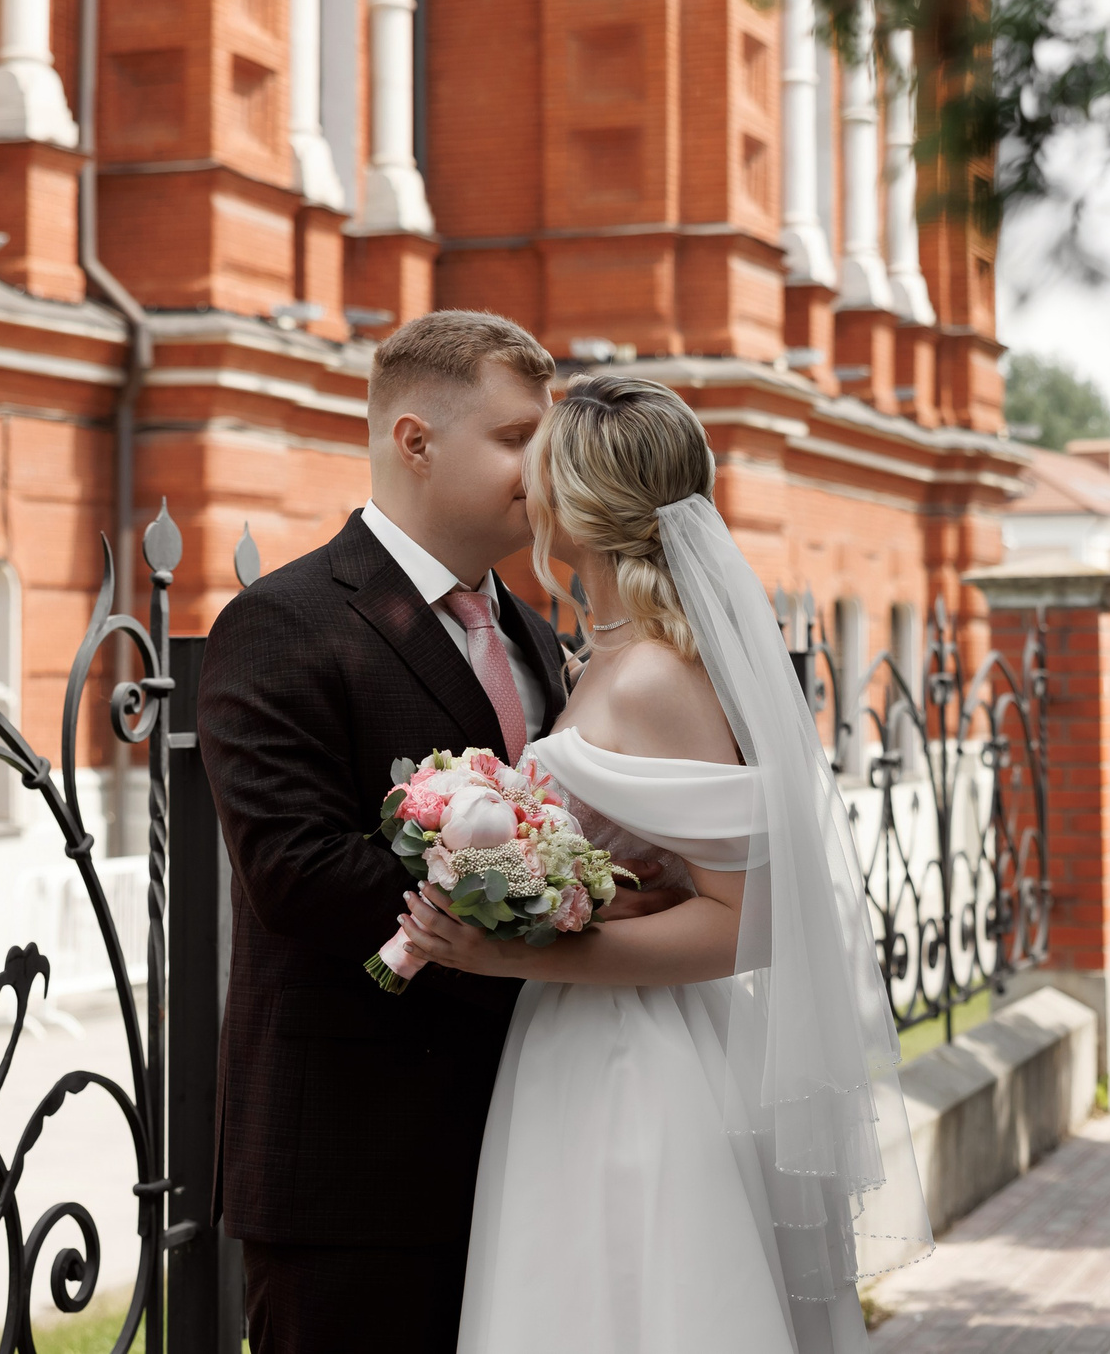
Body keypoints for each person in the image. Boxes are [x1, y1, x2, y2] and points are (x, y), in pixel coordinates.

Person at [394, 374, 933, 1353]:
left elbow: (747, 920)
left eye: (540, 463)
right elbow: (654, 869)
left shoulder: (652, 672)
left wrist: (514, 952)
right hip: (570, 1039)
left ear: (577, 502)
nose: (524, 484)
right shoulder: (598, 653)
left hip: (636, 1059)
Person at [197, 312, 673, 1354]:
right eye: (514, 438)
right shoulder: (283, 623)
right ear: (414, 441)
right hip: (355, 1163)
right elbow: (296, 871)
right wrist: (546, 907)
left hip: (536, 1139)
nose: (543, 465)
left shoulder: (536, 633)